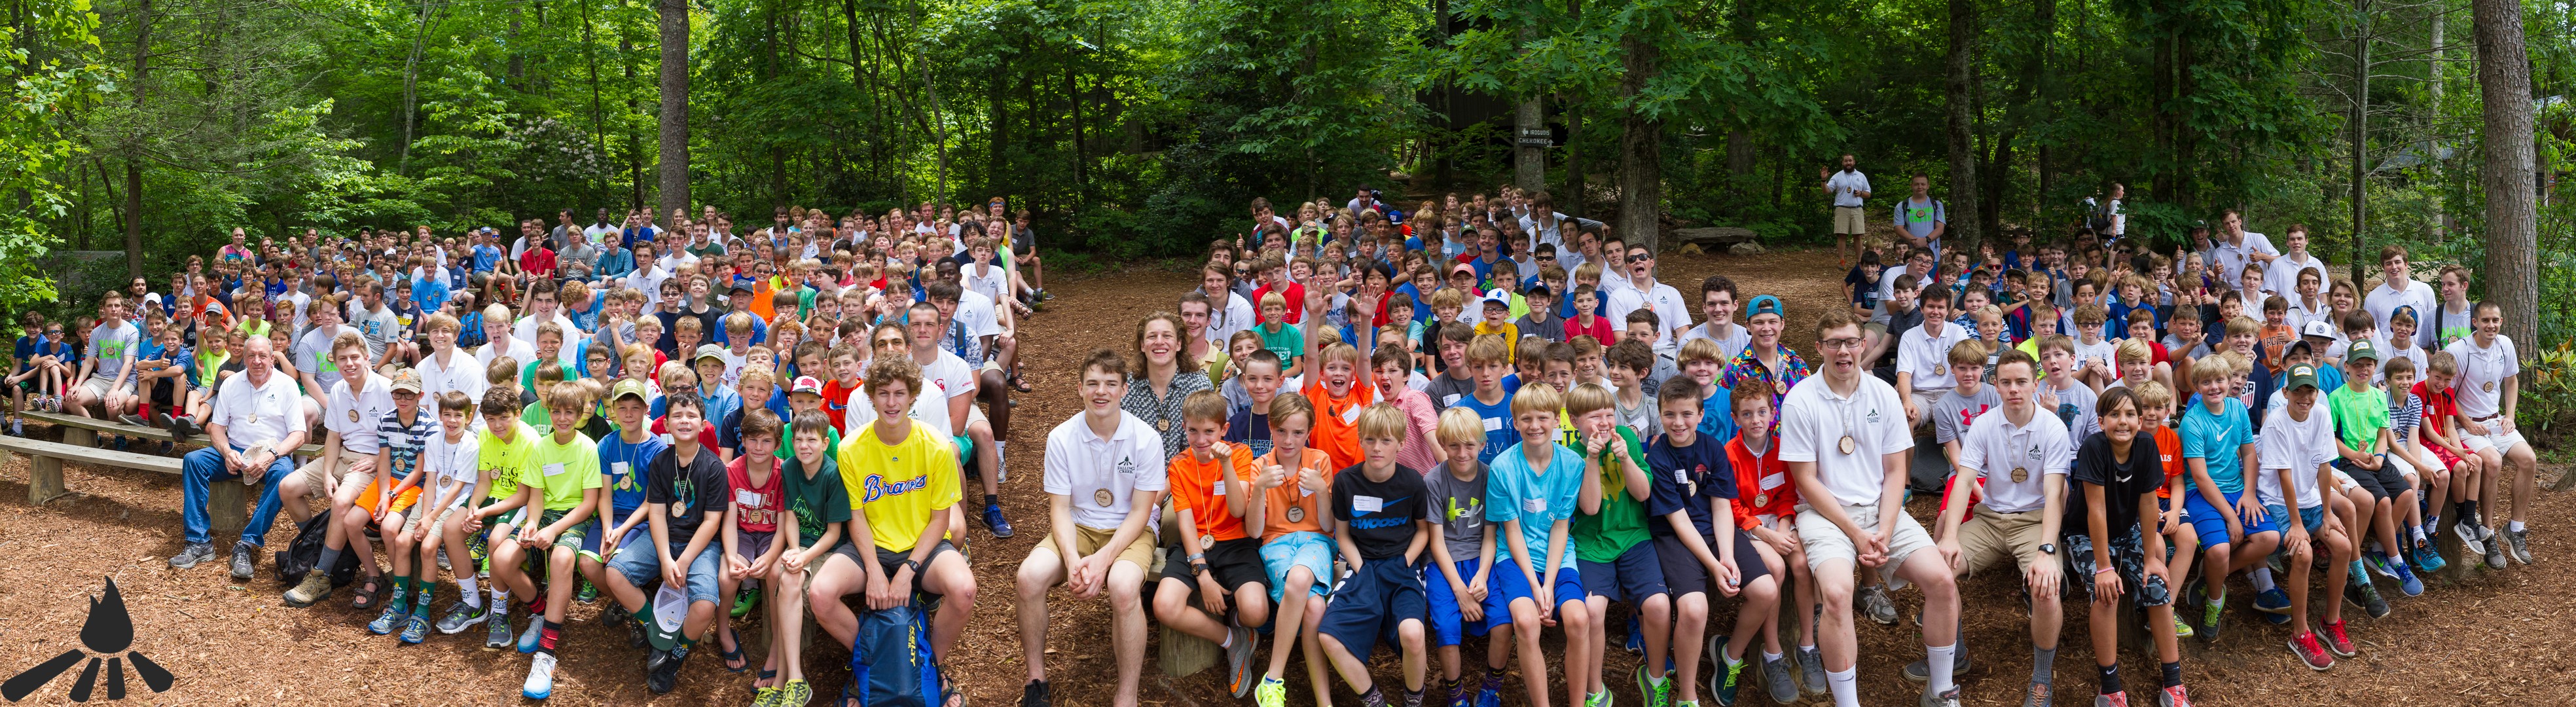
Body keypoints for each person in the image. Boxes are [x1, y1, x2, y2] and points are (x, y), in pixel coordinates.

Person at [1778, 310, 1962, 707]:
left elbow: (1896, 471)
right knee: (1838, 594)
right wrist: (1858, 534)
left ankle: (1941, 690)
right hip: (1825, 516)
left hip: (1881, 511)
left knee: (1942, 582)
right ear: (1819, 348)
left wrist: (1884, 529)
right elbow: (1805, 480)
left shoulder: (1883, 393)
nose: (1843, 351)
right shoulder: (1799, 400)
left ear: (1864, 345)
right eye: (1834, 343)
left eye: (1850, 342)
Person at [814, 353, 977, 706]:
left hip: (923, 546)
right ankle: (873, 663)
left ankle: (928, 666)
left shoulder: (936, 446)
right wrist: (874, 569)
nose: (891, 402)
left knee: (964, 590)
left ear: (913, 397)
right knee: (821, 594)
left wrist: (908, 571)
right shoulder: (851, 448)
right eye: (884, 393)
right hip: (871, 547)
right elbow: (856, 516)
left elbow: (940, 520)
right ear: (871, 396)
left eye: (900, 393)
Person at [1016, 350, 1168, 707]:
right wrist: (1072, 560)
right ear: (1080, 388)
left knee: (1123, 587)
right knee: (1029, 578)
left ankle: (1126, 695)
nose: (1101, 392)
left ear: (1125, 390)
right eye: (1093, 383)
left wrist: (1103, 560)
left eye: (1111, 384)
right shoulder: (1061, 437)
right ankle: (1036, 679)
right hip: (1079, 526)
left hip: (1130, 530)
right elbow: (1060, 509)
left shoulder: (1146, 438)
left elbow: (1141, 512)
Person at [1929, 348, 2070, 705]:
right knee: (1938, 571)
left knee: (2046, 589)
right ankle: (1955, 654)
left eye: (2022, 382)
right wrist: (1949, 537)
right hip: (1990, 518)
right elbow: (1964, 480)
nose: (2014, 390)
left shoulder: (2053, 427)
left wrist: (2047, 550)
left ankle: (2042, 677)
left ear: (2036, 384)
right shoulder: (1985, 424)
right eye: (2006, 383)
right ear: (1996, 385)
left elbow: (2054, 493)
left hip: (2034, 520)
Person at [1644, 380, 1788, 707]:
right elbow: (1679, 522)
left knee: (1766, 591)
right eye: (1670, 415)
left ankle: (1730, 655)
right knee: (1694, 610)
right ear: (1660, 415)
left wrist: (1727, 556)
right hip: (1675, 537)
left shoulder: (1712, 448)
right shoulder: (1658, 458)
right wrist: (1714, 566)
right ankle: (1687, 696)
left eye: (1686, 414)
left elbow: (1722, 507)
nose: (1678, 423)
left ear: (1700, 415)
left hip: (1716, 531)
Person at [1152, 390, 1273, 698]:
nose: (1201, 439)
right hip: (1196, 545)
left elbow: (1238, 509)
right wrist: (1202, 574)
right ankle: (1233, 640)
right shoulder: (1179, 465)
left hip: (1236, 543)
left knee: (1257, 613)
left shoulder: (1241, 454)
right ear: (1184, 427)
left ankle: (1240, 621)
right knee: (1164, 606)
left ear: (1224, 429)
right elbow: (1185, 523)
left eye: (1209, 431)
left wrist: (1226, 463)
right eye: (1193, 431)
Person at [1315, 405, 1436, 707]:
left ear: (1401, 443)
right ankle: (1374, 700)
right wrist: (1361, 568)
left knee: (1412, 633)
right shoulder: (1346, 482)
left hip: (1402, 567)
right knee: (1328, 637)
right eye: (1370, 439)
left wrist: (1405, 561)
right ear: (1360, 440)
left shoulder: (1413, 482)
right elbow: (1343, 534)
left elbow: (1423, 531)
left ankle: (1414, 699)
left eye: (1386, 440)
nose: (1377, 448)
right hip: (1361, 565)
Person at [1480, 382, 1592, 707]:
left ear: (1557, 420)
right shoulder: (1503, 468)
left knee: (1579, 620)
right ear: (1515, 422)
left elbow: (1561, 527)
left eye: (1543, 418)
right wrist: (1535, 585)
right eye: (1526, 419)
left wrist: (1549, 584)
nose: (1535, 426)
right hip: (1515, 560)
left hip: (1558, 557)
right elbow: (1512, 532)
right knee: (1527, 623)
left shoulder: (1573, 464)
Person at [168, 335, 309, 579]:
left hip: (272, 453)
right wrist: (227, 451)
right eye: (251, 355)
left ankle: (247, 544)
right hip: (235, 449)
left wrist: (271, 455)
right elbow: (217, 428)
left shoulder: (287, 385)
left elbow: (298, 435)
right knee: (194, 461)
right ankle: (199, 542)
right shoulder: (232, 384)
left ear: (272, 359)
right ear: (244, 358)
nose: (257, 361)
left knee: (285, 473)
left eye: (262, 356)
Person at [498, 382, 603, 698]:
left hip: (575, 517)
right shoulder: (541, 447)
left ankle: (546, 653)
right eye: (557, 411)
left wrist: (554, 530)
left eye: (569, 412)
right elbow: (536, 496)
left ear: (581, 413)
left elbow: (589, 504)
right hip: (545, 514)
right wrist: (532, 524)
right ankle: (540, 611)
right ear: (548, 411)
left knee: (561, 558)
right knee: (502, 559)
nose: (563, 418)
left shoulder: (588, 448)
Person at [281, 333, 398, 608]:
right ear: (335, 362)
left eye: (355, 357)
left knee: (342, 501)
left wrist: (379, 458)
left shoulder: (386, 389)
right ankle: (323, 545)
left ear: (367, 357)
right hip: (343, 455)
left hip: (371, 461)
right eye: (343, 359)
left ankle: (321, 575)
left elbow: (400, 434)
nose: (349, 364)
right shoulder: (337, 391)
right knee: (288, 488)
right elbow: (333, 437)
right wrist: (326, 473)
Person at [2175, 355, 2279, 642]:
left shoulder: (2238, 409)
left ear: (2229, 381)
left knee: (2269, 539)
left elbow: (2249, 453)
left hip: (2236, 488)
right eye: (2206, 382)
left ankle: (2211, 577)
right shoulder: (2192, 422)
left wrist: (2249, 493)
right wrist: (2232, 517)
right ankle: (2214, 602)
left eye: (2220, 380)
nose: (2214, 387)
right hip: (2201, 492)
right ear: (2197, 387)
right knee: (2219, 550)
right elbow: (2200, 477)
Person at [1246, 392, 1338, 707]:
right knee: (1315, 608)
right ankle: (1323, 702)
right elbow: (1255, 531)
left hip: (1316, 541)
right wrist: (1260, 489)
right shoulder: (1260, 467)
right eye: (1282, 431)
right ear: (1271, 428)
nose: (1289, 440)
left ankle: (1272, 679)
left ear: (1309, 432)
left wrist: (1322, 491)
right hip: (1276, 543)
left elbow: (1327, 525)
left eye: (1298, 433)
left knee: (1299, 580)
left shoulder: (1320, 461)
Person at [752, 410, 848, 707]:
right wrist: (793, 549)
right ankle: (789, 678)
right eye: (799, 440)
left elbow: (833, 533)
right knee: (776, 574)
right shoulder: (791, 467)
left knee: (789, 579)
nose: (804, 446)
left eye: (812, 440)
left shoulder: (833, 474)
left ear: (825, 443)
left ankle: (788, 678)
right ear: (791, 442)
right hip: (801, 545)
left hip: (827, 550)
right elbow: (791, 515)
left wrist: (804, 557)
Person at [2444, 301, 2532, 563]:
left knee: (2529, 460)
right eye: (2485, 320)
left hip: (2496, 421)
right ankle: (2489, 534)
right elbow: (2446, 392)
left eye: (2495, 320)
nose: (2490, 325)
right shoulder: (2459, 351)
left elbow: (2512, 381)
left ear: (2501, 322)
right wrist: (2466, 422)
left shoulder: (2505, 345)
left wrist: (2510, 416)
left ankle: (2515, 529)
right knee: (2493, 462)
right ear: (2475, 322)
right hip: (2466, 425)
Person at [359, 369, 439, 636]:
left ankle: (400, 590)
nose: (403, 399)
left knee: (389, 528)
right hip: (389, 481)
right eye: (397, 394)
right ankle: (376, 575)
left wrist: (392, 496)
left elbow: (420, 471)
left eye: (409, 394)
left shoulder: (429, 426)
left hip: (413, 485)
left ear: (420, 395)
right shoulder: (386, 420)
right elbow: (384, 461)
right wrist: (384, 494)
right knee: (351, 521)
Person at [1823, 154, 1872, 267]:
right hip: (1842, 209)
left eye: (1850, 161)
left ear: (1854, 162)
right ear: (1843, 163)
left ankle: (1859, 262)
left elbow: (1868, 194)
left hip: (1857, 209)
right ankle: (1842, 261)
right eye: (1846, 161)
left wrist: (1861, 193)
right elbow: (1826, 191)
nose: (1848, 163)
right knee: (1842, 235)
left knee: (1858, 236)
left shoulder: (1861, 176)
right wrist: (1823, 180)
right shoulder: (1837, 176)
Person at [1891, 173, 1948, 257]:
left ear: (1928, 186)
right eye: (1916, 184)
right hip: (1910, 255)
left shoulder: (1937, 205)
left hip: (1933, 255)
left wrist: (1926, 240)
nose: (1920, 187)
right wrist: (1916, 242)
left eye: (1923, 184)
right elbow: (1898, 228)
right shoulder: (1902, 206)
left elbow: (1940, 229)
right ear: (1911, 186)